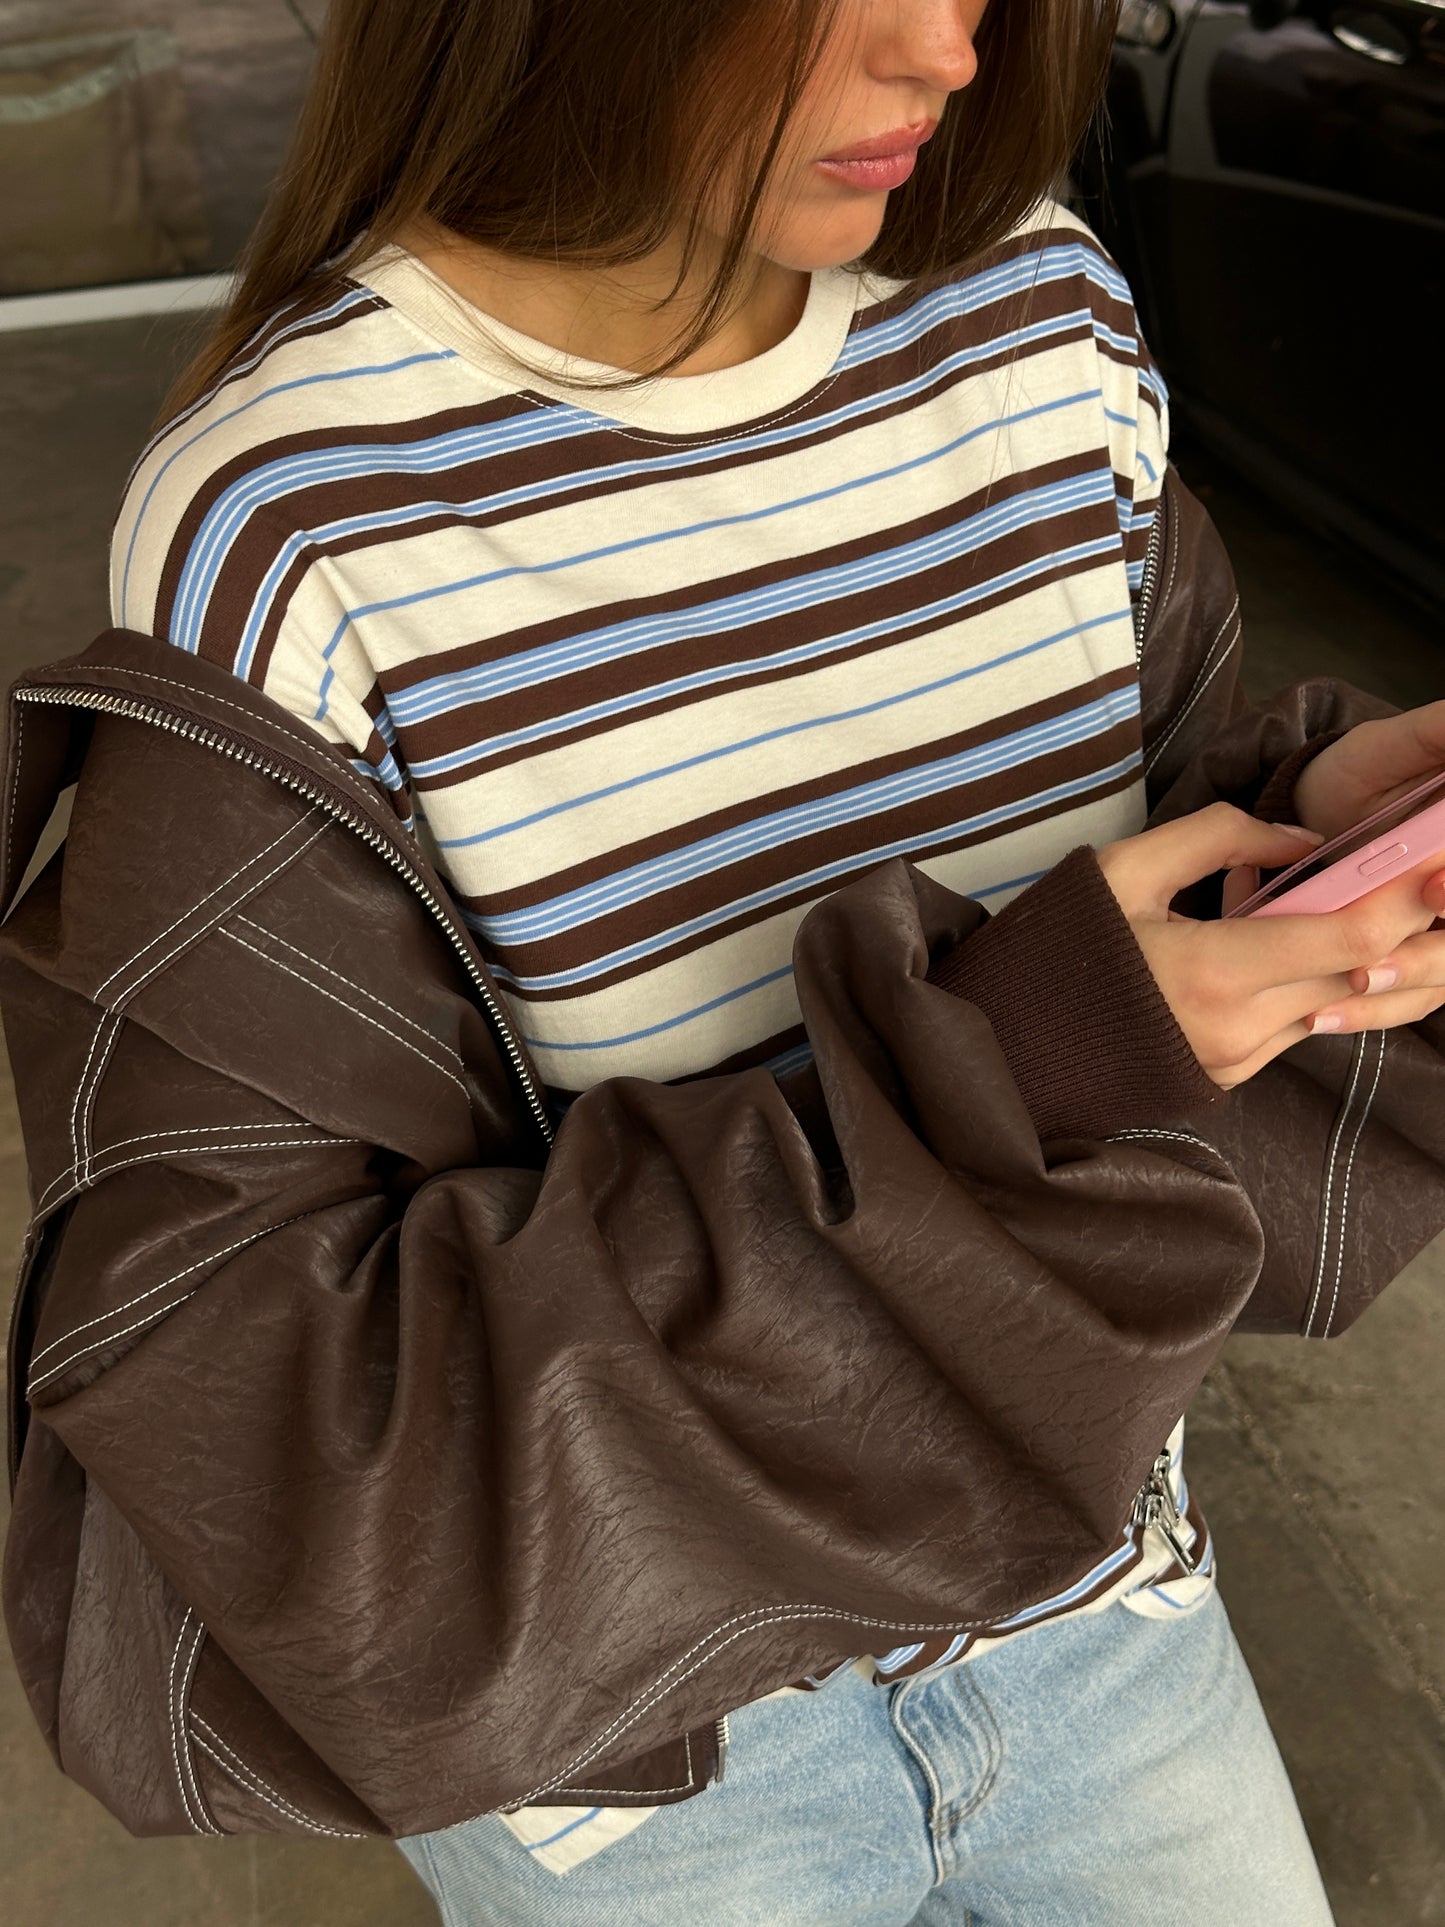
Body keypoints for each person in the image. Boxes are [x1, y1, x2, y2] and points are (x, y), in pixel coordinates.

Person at [12, 1, 1445, 1922]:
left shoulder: (1041, 314)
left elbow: (1123, 840)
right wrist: (1020, 1061)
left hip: (1095, 1592)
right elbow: (281, 1373)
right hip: (647, 1763)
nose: (945, 50)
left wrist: (1304, 829)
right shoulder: (292, 516)